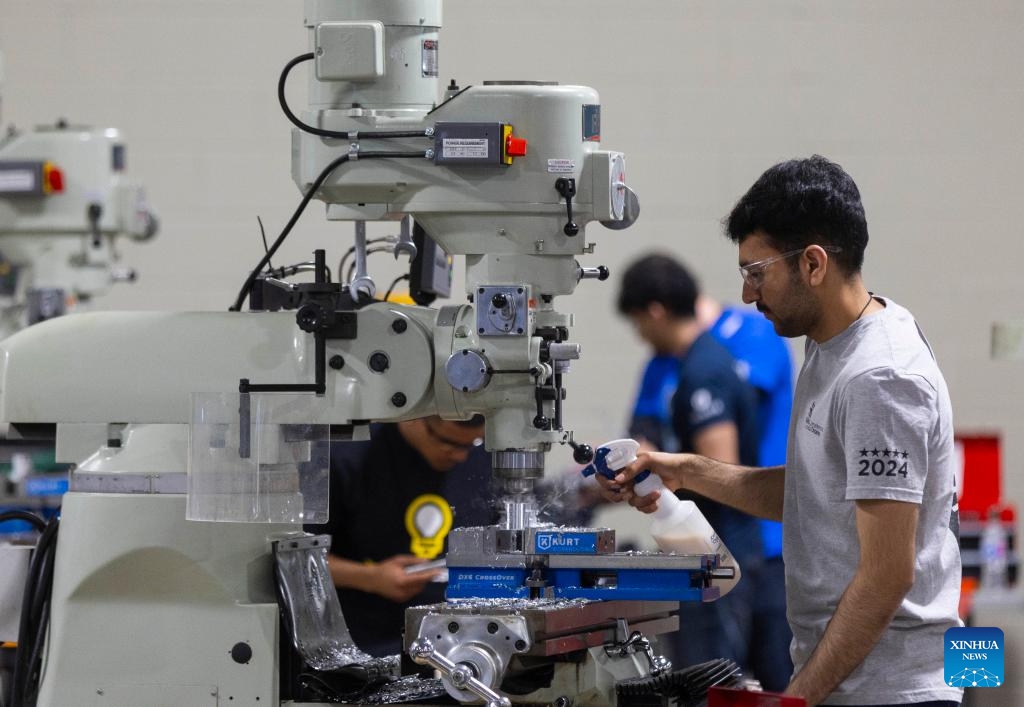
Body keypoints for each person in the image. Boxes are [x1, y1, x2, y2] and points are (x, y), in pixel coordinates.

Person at [601, 156, 962, 706]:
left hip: (889, 692)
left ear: (813, 264)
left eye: (756, 271)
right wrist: (686, 470)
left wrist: (796, 698)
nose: (747, 294)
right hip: (848, 683)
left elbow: (888, 574)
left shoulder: (879, 376)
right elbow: (814, 494)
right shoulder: (830, 344)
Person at [621, 252, 794, 691]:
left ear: (655, 312)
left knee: (721, 681)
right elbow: (645, 432)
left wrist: (672, 472)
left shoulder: (706, 369)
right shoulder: (680, 362)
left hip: (730, 549)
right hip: (721, 547)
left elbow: (722, 469)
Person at [305, 415, 496, 657]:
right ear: (413, 419)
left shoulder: (480, 455)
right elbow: (302, 561)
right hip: (367, 644)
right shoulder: (345, 458)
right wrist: (371, 577)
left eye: (472, 443)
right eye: (448, 442)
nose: (460, 456)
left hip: (462, 640)